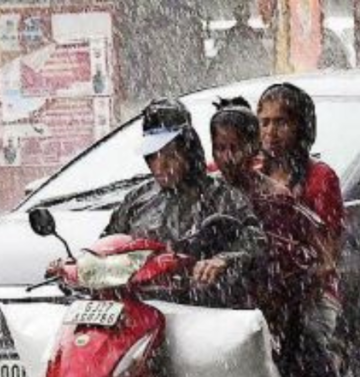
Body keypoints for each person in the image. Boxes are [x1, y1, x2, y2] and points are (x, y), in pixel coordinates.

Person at [257, 83, 360, 377]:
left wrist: (302, 279)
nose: (270, 132)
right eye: (263, 122)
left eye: (281, 122)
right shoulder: (147, 201)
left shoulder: (319, 179)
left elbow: (327, 252)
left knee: (307, 347)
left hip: (306, 293)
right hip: (258, 292)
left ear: (302, 127)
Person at [103, 98, 266, 307]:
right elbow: (108, 244)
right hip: (139, 309)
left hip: (200, 311)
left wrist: (224, 260)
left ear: (188, 150)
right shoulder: (137, 199)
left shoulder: (223, 196)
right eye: (152, 156)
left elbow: (254, 240)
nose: (161, 164)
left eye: (170, 154)